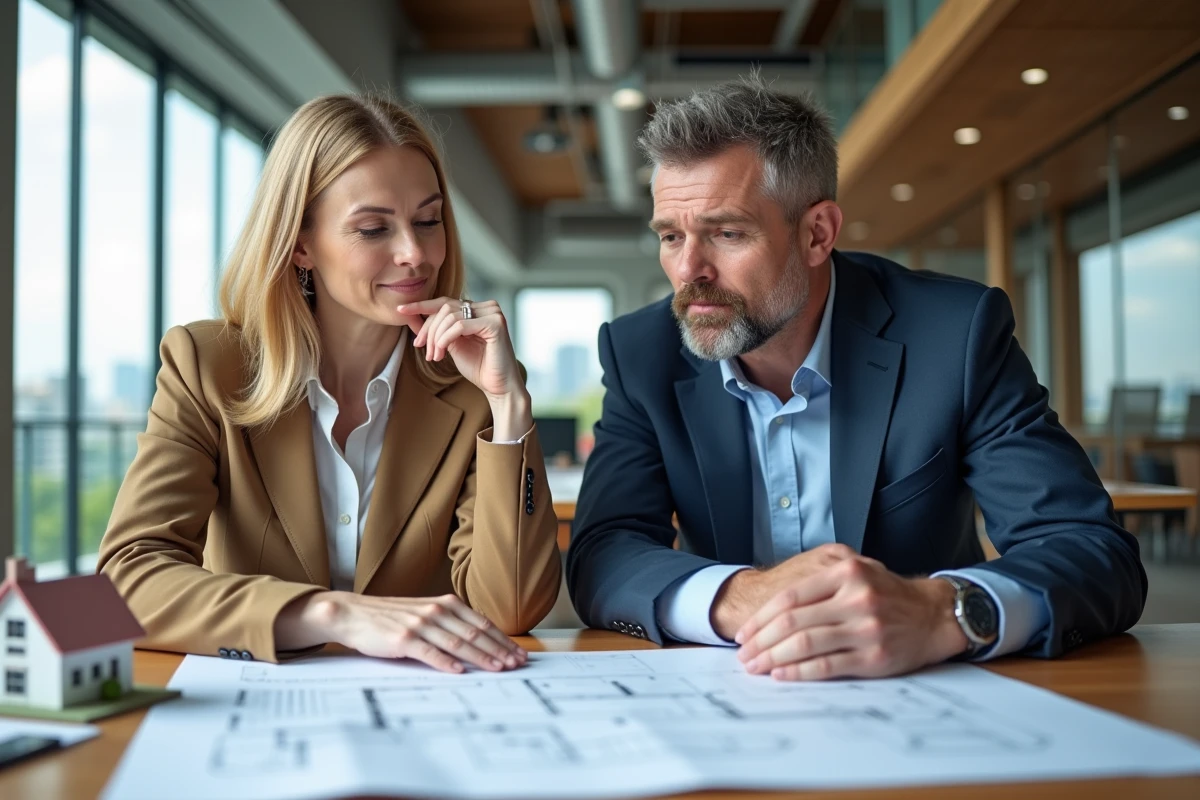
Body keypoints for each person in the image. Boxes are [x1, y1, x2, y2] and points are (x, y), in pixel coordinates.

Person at [566, 74, 1146, 680]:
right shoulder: (641, 353)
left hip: (925, 693)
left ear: (817, 233)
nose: (689, 270)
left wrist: (940, 612)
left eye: (728, 232)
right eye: (670, 235)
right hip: (736, 693)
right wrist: (740, 597)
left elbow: (1092, 551)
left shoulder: (953, 335)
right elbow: (605, 553)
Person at [99, 95, 561, 672]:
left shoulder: (473, 384)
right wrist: (336, 614)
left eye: (427, 220)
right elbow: (127, 578)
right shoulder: (208, 365)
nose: (415, 254)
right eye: (373, 229)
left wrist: (509, 405)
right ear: (299, 244)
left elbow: (510, 609)